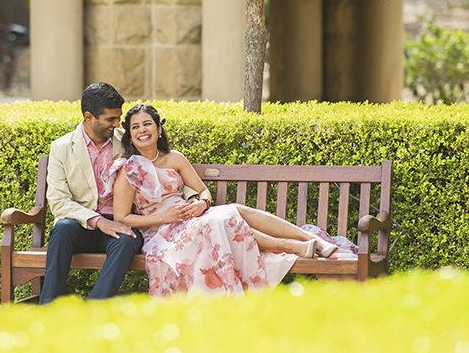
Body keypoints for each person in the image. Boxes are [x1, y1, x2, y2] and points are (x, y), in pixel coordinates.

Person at [111, 104, 339, 298]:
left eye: (147, 124)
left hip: (190, 216)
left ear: (159, 129)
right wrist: (165, 217)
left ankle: (310, 239)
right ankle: (293, 247)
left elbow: (203, 191)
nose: (142, 130)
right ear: (129, 135)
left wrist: (202, 203)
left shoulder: (175, 158)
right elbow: (122, 217)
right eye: (135, 127)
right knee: (219, 222)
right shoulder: (128, 170)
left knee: (234, 210)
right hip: (162, 232)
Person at [39, 83, 141, 304]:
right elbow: (58, 202)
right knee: (62, 229)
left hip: (119, 222)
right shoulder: (62, 147)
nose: (117, 125)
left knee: (128, 240)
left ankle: (94, 310)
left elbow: (162, 161)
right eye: (110, 119)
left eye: (118, 118)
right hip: (81, 223)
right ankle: (48, 309)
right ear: (88, 117)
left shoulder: (126, 142)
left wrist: (194, 196)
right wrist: (97, 221)